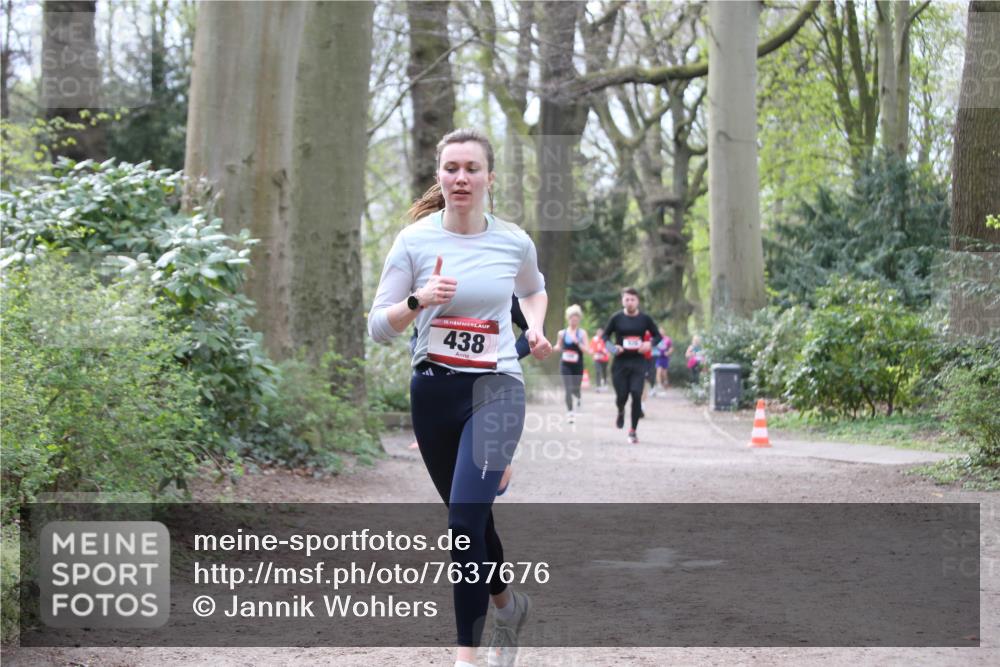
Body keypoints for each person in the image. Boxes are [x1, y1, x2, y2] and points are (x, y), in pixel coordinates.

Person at [368, 128, 550, 667]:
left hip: (497, 386)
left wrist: (535, 327)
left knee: (462, 523)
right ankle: (508, 606)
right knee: (469, 520)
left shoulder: (513, 240)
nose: (461, 177)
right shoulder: (415, 242)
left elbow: (532, 289)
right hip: (433, 392)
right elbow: (380, 325)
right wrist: (418, 301)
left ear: (490, 178)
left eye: (472, 168)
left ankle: (466, 658)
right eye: (451, 168)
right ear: (439, 177)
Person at [602, 288, 662, 444]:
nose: (629, 302)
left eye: (632, 299)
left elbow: (658, 337)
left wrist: (650, 344)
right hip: (620, 362)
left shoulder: (645, 319)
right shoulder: (616, 318)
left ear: (637, 301)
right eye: (627, 299)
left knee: (636, 394)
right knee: (621, 396)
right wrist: (613, 348)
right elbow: (605, 336)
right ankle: (621, 410)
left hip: (638, 362)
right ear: (623, 301)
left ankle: (633, 431)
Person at [552, 304, 588, 423]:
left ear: (579, 319)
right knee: (568, 388)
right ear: (568, 318)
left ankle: (578, 397)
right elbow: (559, 346)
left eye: (576, 317)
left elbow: (586, 350)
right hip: (565, 364)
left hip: (578, 365)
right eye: (572, 317)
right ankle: (570, 413)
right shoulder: (562, 333)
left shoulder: (582, 333)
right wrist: (554, 348)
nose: (574, 319)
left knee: (575, 389)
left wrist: (578, 342)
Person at [590, 327, 610, 392]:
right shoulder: (594, 339)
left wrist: (605, 351)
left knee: (604, 372)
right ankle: (598, 386)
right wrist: (592, 351)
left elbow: (610, 348)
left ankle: (605, 384)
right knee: (598, 371)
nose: (599, 333)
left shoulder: (605, 339)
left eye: (601, 332)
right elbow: (591, 348)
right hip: (597, 358)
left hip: (604, 358)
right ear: (596, 332)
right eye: (598, 332)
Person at [655, 327, 673, 391]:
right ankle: (659, 385)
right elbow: (653, 346)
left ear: (664, 332)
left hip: (665, 358)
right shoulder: (656, 339)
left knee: (664, 373)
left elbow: (671, 348)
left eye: (662, 331)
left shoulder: (667, 339)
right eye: (660, 332)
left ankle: (665, 382)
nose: (661, 333)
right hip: (658, 357)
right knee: (658, 371)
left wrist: (668, 352)